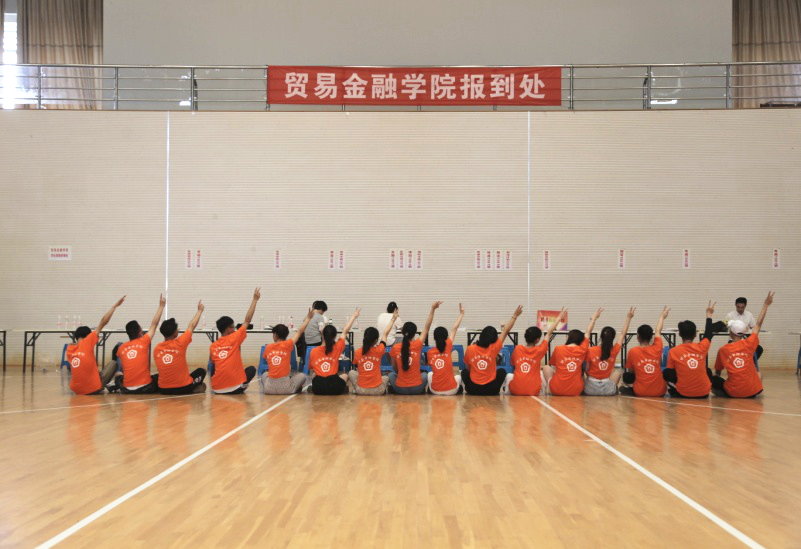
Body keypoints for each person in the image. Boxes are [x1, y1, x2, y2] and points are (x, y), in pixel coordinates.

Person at [713, 291, 774, 398]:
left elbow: (718, 372)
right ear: (744, 332)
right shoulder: (750, 344)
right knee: (759, 374)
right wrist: (766, 305)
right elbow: (758, 324)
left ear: (730, 333)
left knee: (713, 378)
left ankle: (726, 393)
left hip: (733, 392)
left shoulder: (723, 350)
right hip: (752, 392)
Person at [66, 296, 126, 395]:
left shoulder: (69, 349)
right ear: (88, 336)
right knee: (113, 363)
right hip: (93, 389)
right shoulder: (87, 342)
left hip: (76, 390)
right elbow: (103, 322)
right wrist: (114, 306)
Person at [462, 305, 523, 395]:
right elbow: (506, 331)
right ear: (495, 338)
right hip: (491, 389)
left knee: (464, 372)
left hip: (473, 389)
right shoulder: (494, 347)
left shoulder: (470, 348)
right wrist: (515, 316)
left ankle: (468, 389)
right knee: (502, 372)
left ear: (481, 335)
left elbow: (468, 368)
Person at [209, 287, 260, 394]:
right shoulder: (235, 338)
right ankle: (239, 385)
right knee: (251, 369)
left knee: (214, 363)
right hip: (235, 388)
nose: (234, 329)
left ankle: (217, 384)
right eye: (233, 327)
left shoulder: (213, 346)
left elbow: (213, 366)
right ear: (228, 329)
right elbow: (247, 320)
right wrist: (255, 300)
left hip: (216, 389)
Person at [504, 308, 565, 396]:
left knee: (509, 376)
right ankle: (542, 392)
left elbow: (514, 365)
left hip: (515, 390)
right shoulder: (540, 350)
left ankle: (507, 394)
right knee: (541, 373)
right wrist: (559, 317)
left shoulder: (517, 348)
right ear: (537, 340)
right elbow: (549, 333)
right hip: (533, 391)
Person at [663, 301, 716, 398]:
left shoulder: (673, 351)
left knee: (667, 372)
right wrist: (709, 315)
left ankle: (678, 389)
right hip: (704, 394)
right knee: (707, 370)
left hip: (683, 394)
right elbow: (708, 334)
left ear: (679, 334)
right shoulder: (702, 347)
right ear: (695, 334)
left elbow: (670, 372)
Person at [544, 308, 603, 396]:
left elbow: (555, 367)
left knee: (546, 367)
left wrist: (559, 317)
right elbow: (587, 333)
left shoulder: (558, 349)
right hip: (576, 390)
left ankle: (548, 389)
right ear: (581, 340)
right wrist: (594, 319)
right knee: (581, 372)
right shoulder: (583, 349)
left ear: (568, 337)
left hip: (557, 389)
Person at [115, 294, 166, 394]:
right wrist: (161, 306)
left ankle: (115, 386)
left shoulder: (121, 348)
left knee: (118, 375)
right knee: (159, 377)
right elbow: (154, 324)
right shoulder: (144, 341)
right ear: (139, 332)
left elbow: (124, 367)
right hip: (146, 388)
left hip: (127, 389)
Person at [155, 300, 208, 394]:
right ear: (175, 333)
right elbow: (192, 326)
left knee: (157, 376)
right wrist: (200, 310)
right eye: (177, 329)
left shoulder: (156, 349)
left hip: (163, 389)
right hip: (183, 388)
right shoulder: (180, 343)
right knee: (202, 371)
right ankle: (192, 388)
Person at [389, 302, 440, 395]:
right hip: (417, 389)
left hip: (400, 389)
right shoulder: (417, 345)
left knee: (391, 375)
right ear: (414, 334)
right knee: (425, 375)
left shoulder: (395, 347)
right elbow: (427, 326)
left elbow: (395, 368)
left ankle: (394, 389)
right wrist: (432, 309)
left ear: (402, 332)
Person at [583, 307, 635, 397]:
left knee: (581, 374)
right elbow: (622, 334)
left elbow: (586, 370)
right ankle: (615, 390)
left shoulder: (591, 350)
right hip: (608, 390)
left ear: (601, 337)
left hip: (590, 390)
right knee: (618, 372)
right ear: (613, 338)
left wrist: (594, 318)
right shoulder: (614, 351)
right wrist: (628, 318)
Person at [619, 306, 670, 397]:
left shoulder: (633, 351)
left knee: (627, 376)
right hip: (660, 392)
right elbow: (658, 331)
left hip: (640, 392)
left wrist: (629, 317)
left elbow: (631, 371)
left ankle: (630, 389)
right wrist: (662, 317)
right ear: (651, 337)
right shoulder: (658, 347)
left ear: (638, 336)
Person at [261, 308, 314, 394]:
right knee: (302, 376)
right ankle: (294, 387)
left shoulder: (268, 347)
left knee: (264, 374)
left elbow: (266, 360)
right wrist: (308, 318)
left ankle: (272, 387)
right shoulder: (288, 344)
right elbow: (300, 331)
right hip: (286, 388)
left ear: (275, 335)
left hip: (268, 389)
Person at [309, 308, 359, 395]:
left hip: (318, 388)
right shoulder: (337, 347)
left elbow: (311, 369)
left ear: (322, 334)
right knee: (345, 375)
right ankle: (342, 389)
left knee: (314, 375)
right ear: (335, 336)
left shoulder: (313, 351)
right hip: (334, 386)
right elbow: (345, 332)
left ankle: (313, 388)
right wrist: (353, 317)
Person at [349, 310, 398, 395]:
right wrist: (393, 319)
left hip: (361, 390)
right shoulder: (380, 350)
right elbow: (385, 334)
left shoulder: (357, 352)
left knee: (351, 373)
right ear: (376, 340)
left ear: (364, 338)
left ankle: (355, 389)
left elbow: (357, 367)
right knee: (386, 377)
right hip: (377, 390)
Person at [427, 303, 465, 396]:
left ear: (434, 338)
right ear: (446, 337)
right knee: (458, 377)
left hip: (435, 391)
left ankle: (432, 389)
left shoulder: (429, 353)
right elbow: (454, 329)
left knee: (430, 374)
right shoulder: (448, 346)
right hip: (451, 391)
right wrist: (461, 314)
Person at [298, 300, 328, 366]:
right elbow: (321, 329)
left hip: (307, 342)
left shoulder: (306, 317)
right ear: (321, 309)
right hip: (316, 342)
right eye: (323, 311)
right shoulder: (319, 316)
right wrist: (324, 341)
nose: (323, 313)